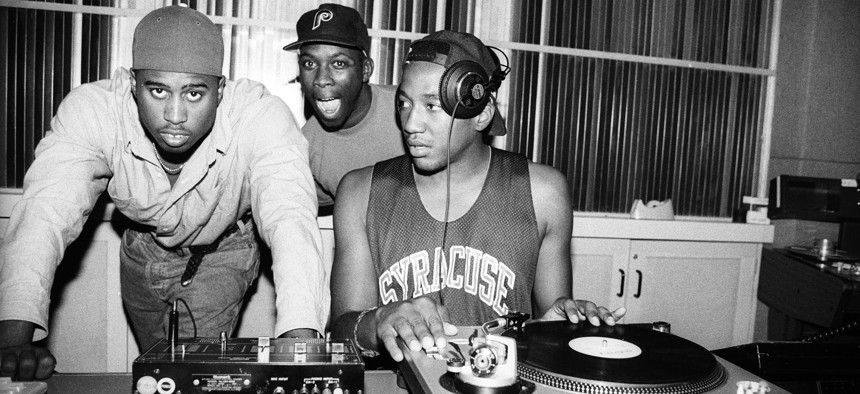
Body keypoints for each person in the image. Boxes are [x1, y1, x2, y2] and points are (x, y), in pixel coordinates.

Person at [0, 5, 328, 380]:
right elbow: (45, 214)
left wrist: (302, 344)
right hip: (141, 249)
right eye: (157, 90)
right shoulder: (94, 113)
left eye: (193, 94)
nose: (174, 114)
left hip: (222, 250)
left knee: (192, 377)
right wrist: (11, 338)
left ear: (220, 91)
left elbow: (291, 218)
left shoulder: (261, 118)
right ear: (131, 86)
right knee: (157, 377)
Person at [330, 30, 626, 362]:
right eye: (404, 103)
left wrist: (563, 326)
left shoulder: (544, 193)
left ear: (481, 114)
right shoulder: (360, 193)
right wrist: (378, 321)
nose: (411, 123)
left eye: (432, 105)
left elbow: (550, 327)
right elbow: (342, 332)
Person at [283, 3, 405, 211]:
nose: (321, 80)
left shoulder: (408, 109)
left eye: (338, 63)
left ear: (365, 70)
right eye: (309, 64)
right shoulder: (305, 147)